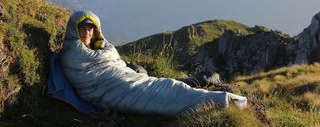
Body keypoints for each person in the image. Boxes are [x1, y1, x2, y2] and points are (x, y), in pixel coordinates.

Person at [60, 10, 247, 117]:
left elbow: (114, 63)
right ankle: (223, 101)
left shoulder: (103, 50)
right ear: (74, 30)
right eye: (82, 28)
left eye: (90, 28)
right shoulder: (73, 56)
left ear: (96, 31)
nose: (87, 32)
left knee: (168, 85)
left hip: (127, 78)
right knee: (160, 96)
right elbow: (89, 78)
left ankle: (223, 99)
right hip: (117, 89)